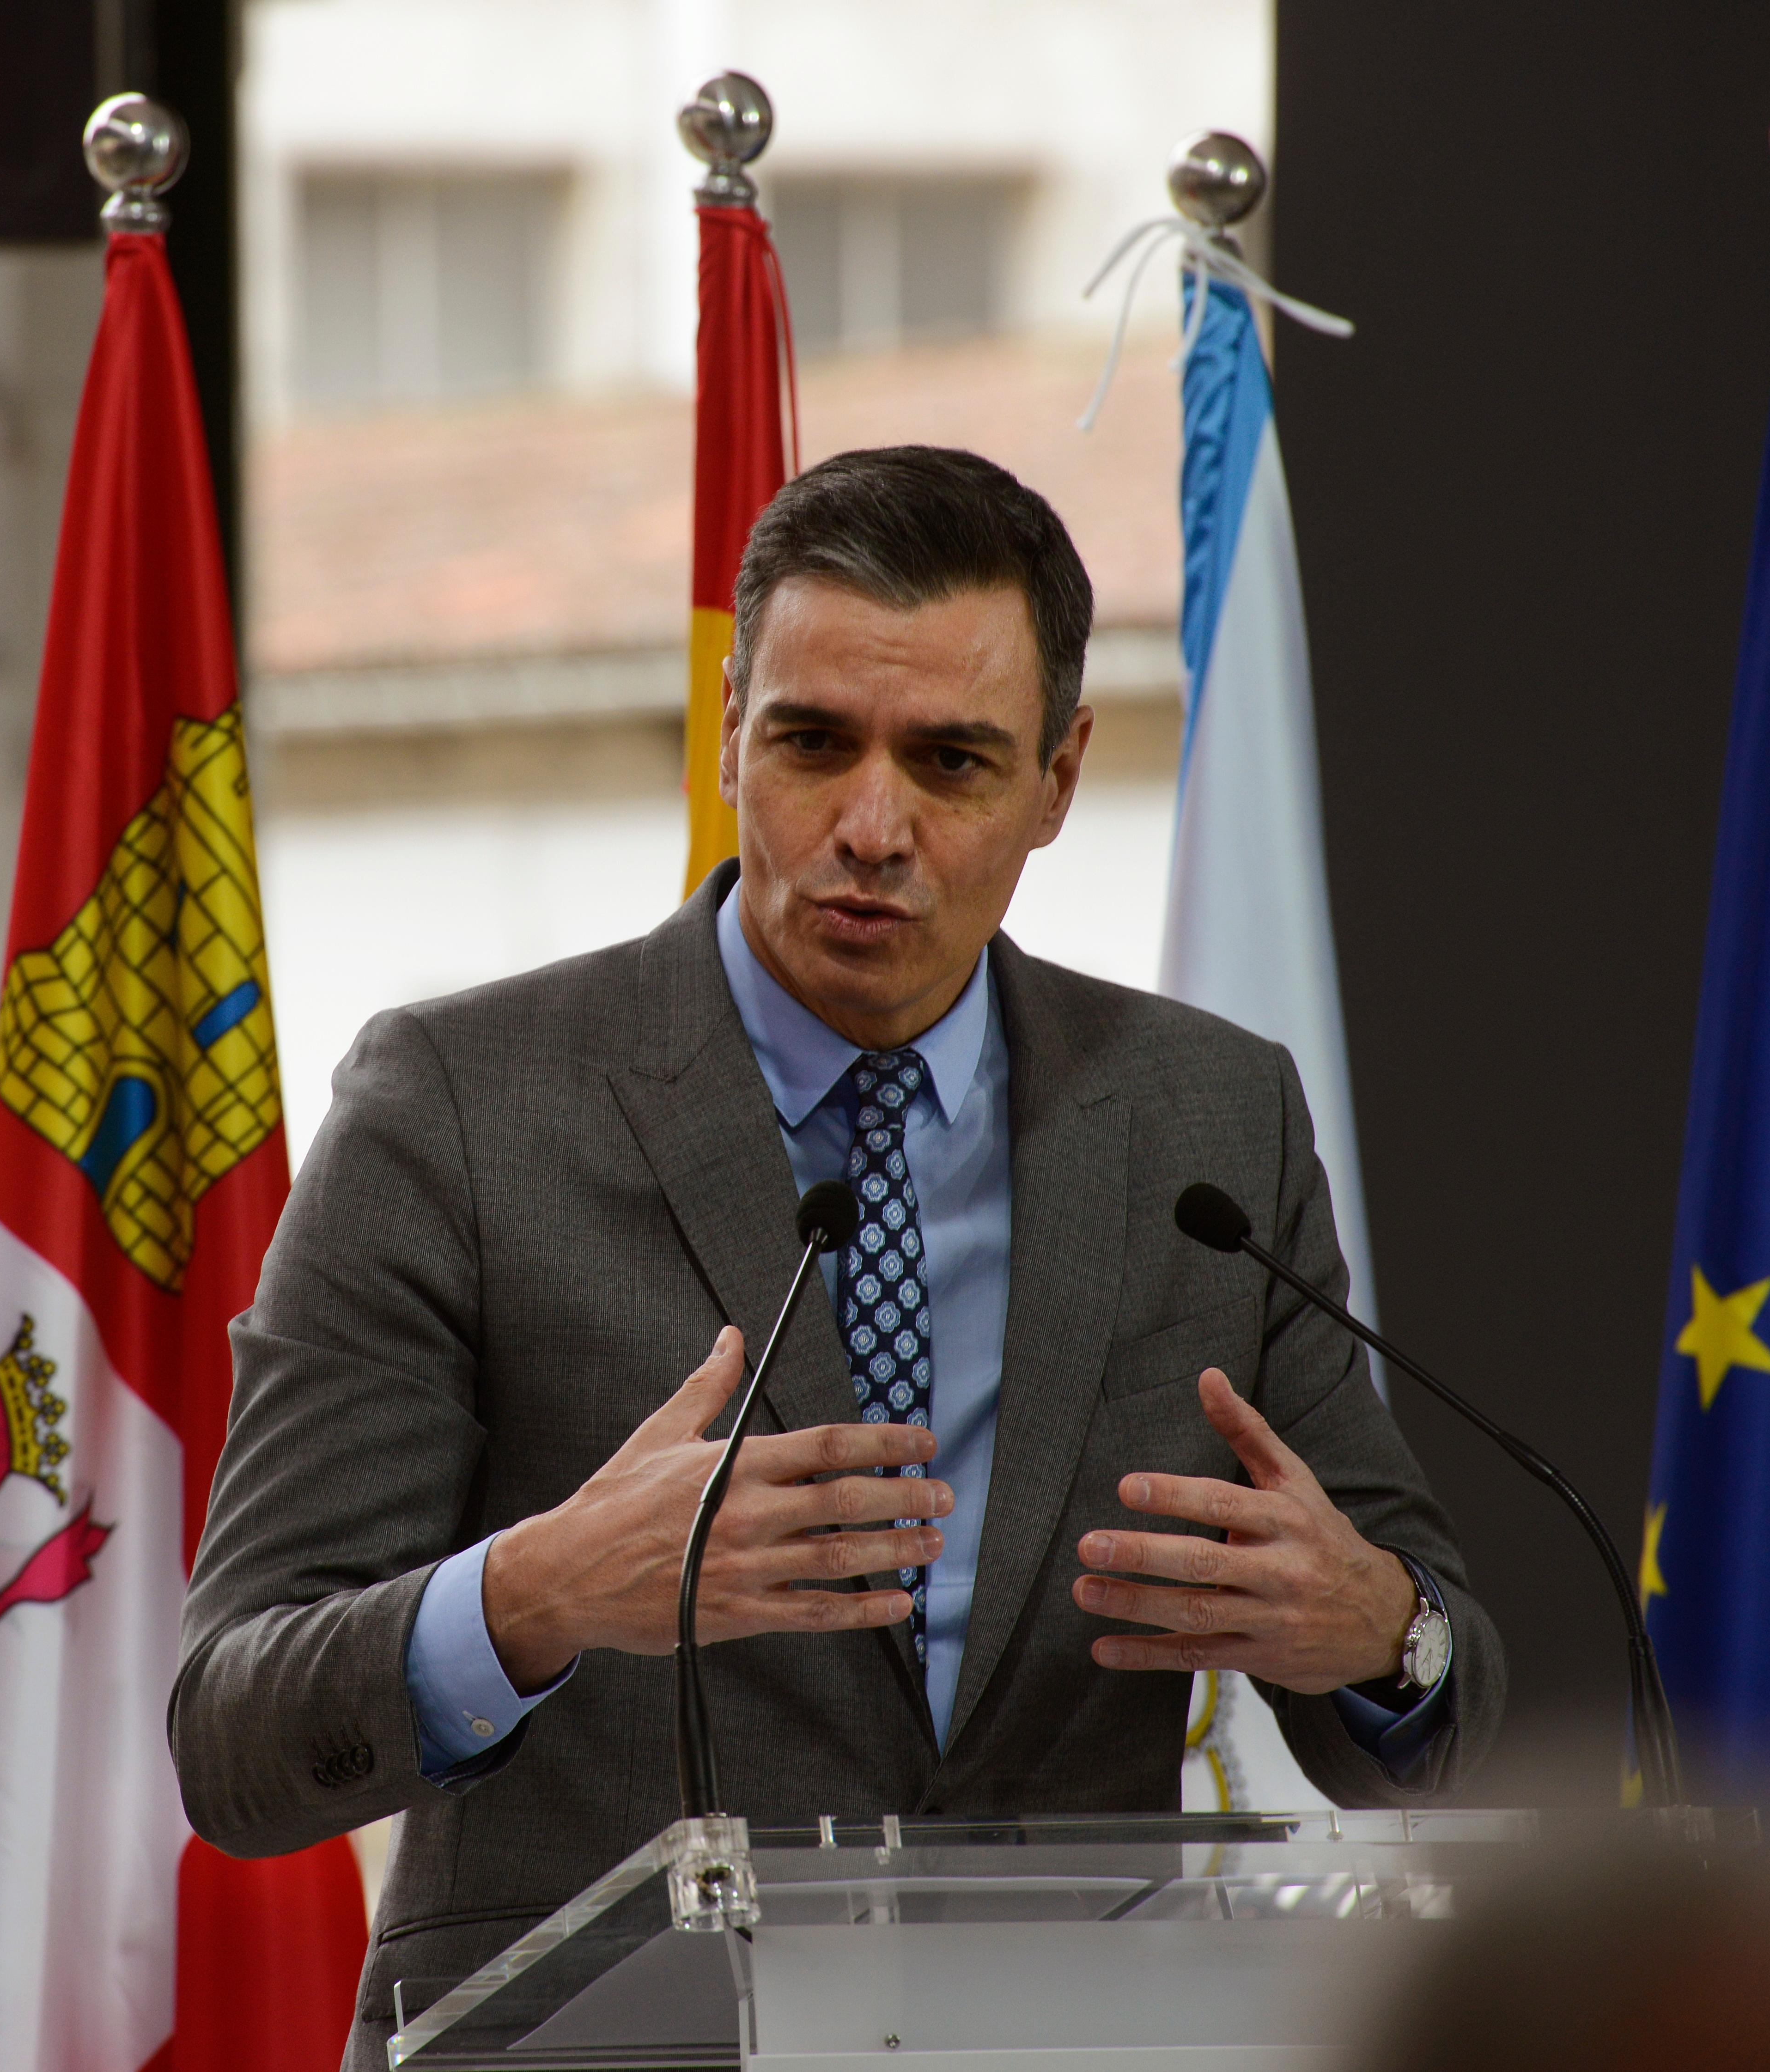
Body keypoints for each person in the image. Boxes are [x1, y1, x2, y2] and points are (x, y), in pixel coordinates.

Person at [172, 445, 1505, 2068]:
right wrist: (536, 1593)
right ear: (729, 719)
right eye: (814, 743)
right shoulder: (458, 1106)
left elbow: (1443, 1708)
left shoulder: (1208, 1119)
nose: (871, 826)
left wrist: (1378, 1633)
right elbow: (233, 1732)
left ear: (1059, 779)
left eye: (952, 762)